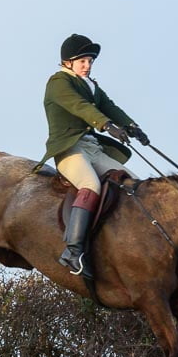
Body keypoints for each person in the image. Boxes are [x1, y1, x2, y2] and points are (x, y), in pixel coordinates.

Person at [42, 34, 150, 278]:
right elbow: (81, 107)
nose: (87, 65)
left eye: (90, 61)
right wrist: (106, 125)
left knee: (134, 185)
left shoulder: (91, 85)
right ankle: (73, 251)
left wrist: (133, 127)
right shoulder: (58, 82)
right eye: (82, 61)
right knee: (90, 184)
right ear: (67, 62)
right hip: (69, 148)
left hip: (92, 148)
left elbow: (109, 106)